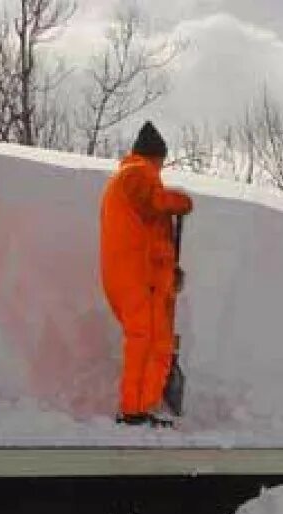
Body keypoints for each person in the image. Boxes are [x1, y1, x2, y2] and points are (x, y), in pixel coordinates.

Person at [100, 121, 193, 427]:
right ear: (155, 157)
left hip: (144, 276)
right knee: (144, 339)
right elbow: (153, 203)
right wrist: (179, 202)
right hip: (137, 278)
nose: (161, 169)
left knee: (155, 341)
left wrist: (170, 271)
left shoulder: (130, 179)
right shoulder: (135, 174)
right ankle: (133, 411)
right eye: (161, 162)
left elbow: (151, 235)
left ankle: (142, 405)